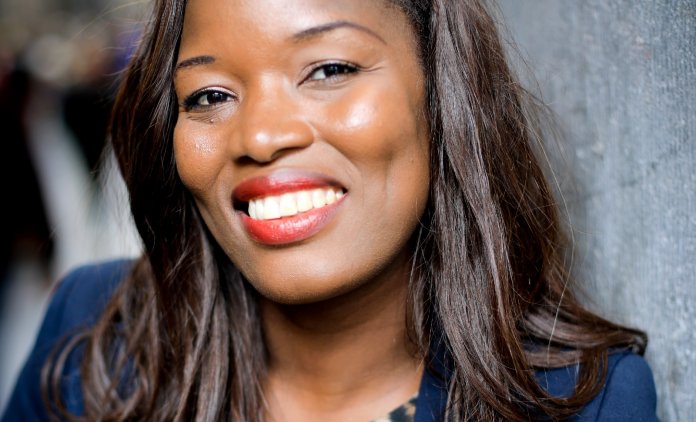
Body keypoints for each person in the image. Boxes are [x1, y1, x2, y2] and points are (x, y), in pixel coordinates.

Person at [2, 0, 659, 421]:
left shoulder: (587, 402)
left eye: (329, 69)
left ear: (442, 93)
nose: (262, 136)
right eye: (208, 95)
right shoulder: (90, 339)